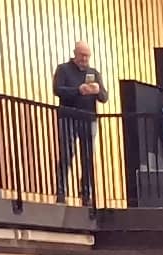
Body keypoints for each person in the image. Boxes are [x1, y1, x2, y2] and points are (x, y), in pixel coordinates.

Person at [52, 41, 107, 203]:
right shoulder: (63, 69)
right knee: (67, 154)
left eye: (87, 55)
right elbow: (57, 89)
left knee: (87, 156)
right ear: (75, 54)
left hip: (88, 118)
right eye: (82, 55)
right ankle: (61, 190)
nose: (85, 58)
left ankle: (86, 192)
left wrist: (97, 90)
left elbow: (104, 97)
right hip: (68, 116)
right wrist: (78, 90)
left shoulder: (94, 73)